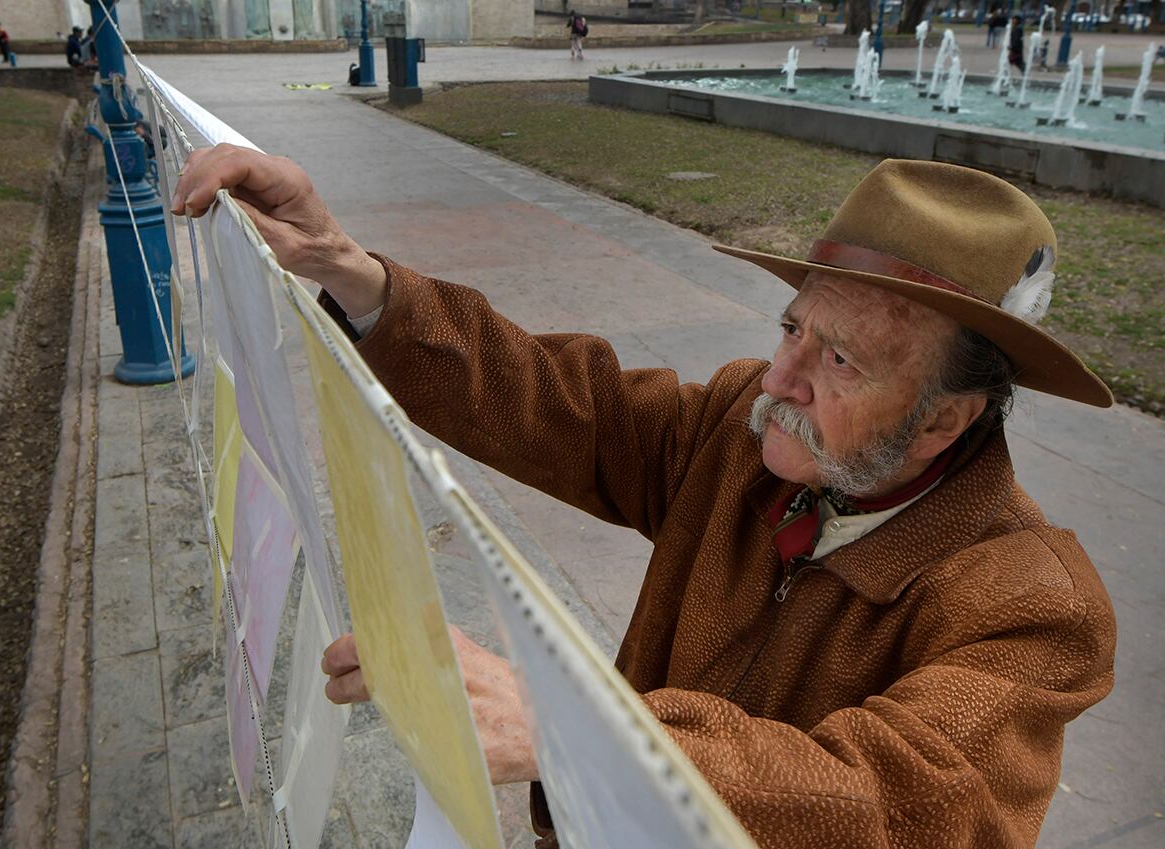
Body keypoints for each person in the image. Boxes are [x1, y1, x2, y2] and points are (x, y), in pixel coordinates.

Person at [171, 149, 1117, 849]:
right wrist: (353, 273)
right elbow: (566, 407)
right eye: (794, 327)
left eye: (839, 360)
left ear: (945, 420)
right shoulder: (746, 432)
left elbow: (892, 802)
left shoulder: (1031, 607)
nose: (778, 380)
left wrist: (572, 727)